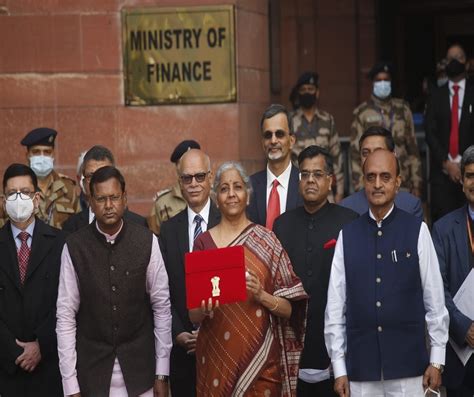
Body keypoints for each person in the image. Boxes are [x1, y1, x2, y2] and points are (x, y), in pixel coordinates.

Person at [325, 149, 449, 397]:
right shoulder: (347, 235)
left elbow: (435, 302)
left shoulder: (417, 230)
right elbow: (335, 308)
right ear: (363, 182)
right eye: (371, 177)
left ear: (398, 182)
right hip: (361, 371)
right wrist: (339, 367)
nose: (378, 184)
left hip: (410, 369)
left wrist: (437, 359)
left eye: (385, 177)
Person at [189, 161, 307, 396]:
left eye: (238, 187)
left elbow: (290, 310)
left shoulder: (267, 241)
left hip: (263, 367)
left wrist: (261, 295)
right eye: (224, 188)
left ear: (248, 196)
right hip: (216, 364)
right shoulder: (203, 244)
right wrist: (205, 308)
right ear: (216, 197)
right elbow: (193, 314)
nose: (231, 194)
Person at [56, 166, 171, 397]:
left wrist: (162, 372)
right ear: (90, 201)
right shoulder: (74, 247)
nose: (108, 205)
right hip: (92, 376)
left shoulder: (147, 241)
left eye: (114, 197)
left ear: (125, 198)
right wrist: (70, 385)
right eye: (101, 199)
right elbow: (66, 316)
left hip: (142, 375)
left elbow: (162, 307)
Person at [273, 146, 357, 396]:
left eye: (318, 174)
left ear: (330, 180)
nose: (310, 180)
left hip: (336, 352)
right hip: (292, 347)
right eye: (305, 174)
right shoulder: (282, 224)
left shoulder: (349, 222)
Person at [159, 149, 220, 396]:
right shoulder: (168, 230)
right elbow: (162, 291)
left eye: (199, 176)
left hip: (222, 348)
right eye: (187, 178)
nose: (193, 184)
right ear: (179, 182)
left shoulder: (227, 222)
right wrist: (177, 333)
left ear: (211, 177)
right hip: (183, 353)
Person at [0, 163, 64, 396]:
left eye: (25, 193)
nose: (19, 199)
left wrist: (41, 346)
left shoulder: (60, 242)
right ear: (2, 200)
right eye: (11, 193)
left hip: (49, 368)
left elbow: (66, 303)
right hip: (7, 370)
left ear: (37, 198)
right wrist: (12, 351)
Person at [432, 145, 474, 397]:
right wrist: (463, 327)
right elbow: (437, 289)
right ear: (462, 181)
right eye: (470, 176)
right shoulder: (443, 229)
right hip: (460, 351)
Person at [350, 62, 422, 197]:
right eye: (379, 80)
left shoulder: (403, 109)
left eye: (386, 80)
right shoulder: (362, 112)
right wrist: (360, 185)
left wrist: (417, 183)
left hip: (403, 182)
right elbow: (355, 153)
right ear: (372, 83)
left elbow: (413, 149)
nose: (382, 83)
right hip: (374, 183)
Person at [425, 43, 474, 222]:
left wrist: (464, 163)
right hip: (442, 176)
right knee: (444, 227)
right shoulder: (435, 95)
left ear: (466, 63)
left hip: (470, 174)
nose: (454, 62)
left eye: (458, 57)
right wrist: (447, 164)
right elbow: (430, 133)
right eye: (450, 58)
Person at [340, 126, 423, 218]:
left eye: (378, 151)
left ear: (393, 155)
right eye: (365, 153)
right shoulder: (346, 207)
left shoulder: (410, 206)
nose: (372, 157)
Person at [62, 145, 147, 233]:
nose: (97, 182)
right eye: (91, 176)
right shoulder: (70, 227)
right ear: (83, 182)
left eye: (104, 175)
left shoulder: (139, 225)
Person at [289, 72, 344, 202]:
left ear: (317, 93)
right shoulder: (290, 121)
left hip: (325, 190)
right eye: (303, 90)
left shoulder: (327, 120)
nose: (307, 93)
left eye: (310, 89)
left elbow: (336, 156)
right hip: (298, 190)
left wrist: (340, 191)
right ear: (298, 94)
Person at [248, 104, 303, 229]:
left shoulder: (304, 182)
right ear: (262, 143)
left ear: (292, 141)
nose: (273, 141)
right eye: (268, 135)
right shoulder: (249, 186)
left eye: (279, 134)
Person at [13, 128, 79, 229]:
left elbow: (78, 226)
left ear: (53, 155)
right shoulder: (16, 189)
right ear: (27, 155)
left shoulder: (68, 188)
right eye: (36, 152)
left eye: (47, 152)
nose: (42, 157)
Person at [148, 140, 201, 234]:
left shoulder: (214, 197)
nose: (190, 165)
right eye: (184, 162)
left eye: (194, 161)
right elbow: (155, 239)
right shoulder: (162, 203)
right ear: (177, 167)